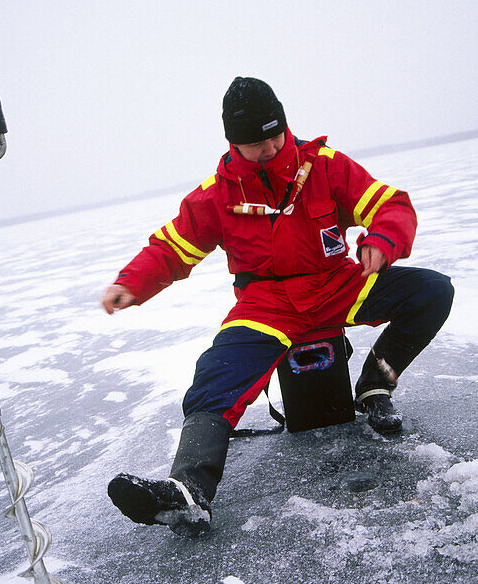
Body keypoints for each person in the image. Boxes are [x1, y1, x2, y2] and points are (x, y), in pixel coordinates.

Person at [102, 77, 453, 537]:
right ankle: (188, 490)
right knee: (215, 376)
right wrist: (131, 283)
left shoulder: (326, 166)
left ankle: (374, 387)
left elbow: (390, 205)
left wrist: (383, 239)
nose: (268, 148)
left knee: (431, 290)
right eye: (255, 143)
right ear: (233, 143)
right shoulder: (216, 195)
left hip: (337, 285)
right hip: (265, 304)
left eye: (275, 135)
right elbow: (172, 248)